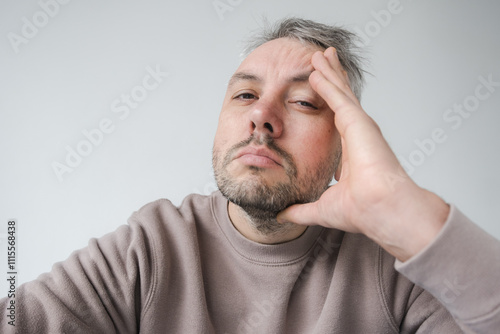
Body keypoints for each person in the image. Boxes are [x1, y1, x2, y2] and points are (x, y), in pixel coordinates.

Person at [2, 17, 499, 333]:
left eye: (304, 101)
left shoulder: (394, 269)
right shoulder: (152, 247)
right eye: (244, 95)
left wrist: (400, 209)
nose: (261, 116)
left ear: (347, 146)